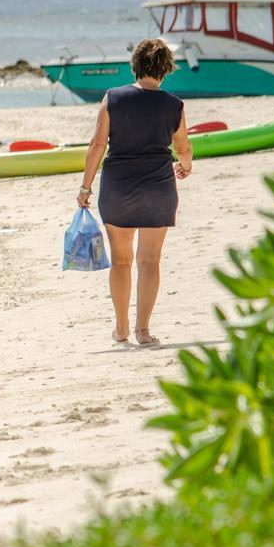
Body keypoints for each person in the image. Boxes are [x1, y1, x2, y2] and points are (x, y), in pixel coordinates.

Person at [77, 39, 192, 346]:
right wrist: (186, 164)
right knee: (150, 261)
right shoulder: (173, 104)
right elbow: (183, 147)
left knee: (122, 261)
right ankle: (143, 330)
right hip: (158, 187)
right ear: (165, 69)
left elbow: (97, 145)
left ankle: (121, 328)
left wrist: (85, 186)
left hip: (119, 187)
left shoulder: (113, 98)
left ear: (135, 64)